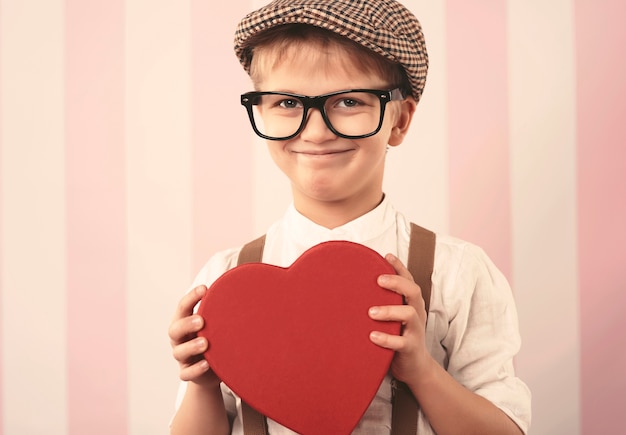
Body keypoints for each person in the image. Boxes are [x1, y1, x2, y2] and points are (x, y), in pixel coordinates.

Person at [168, 0, 531, 433]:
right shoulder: (225, 279)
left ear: (400, 120)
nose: (316, 131)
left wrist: (421, 370)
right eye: (286, 102)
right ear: (260, 111)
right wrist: (205, 386)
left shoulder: (458, 273)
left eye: (349, 101)